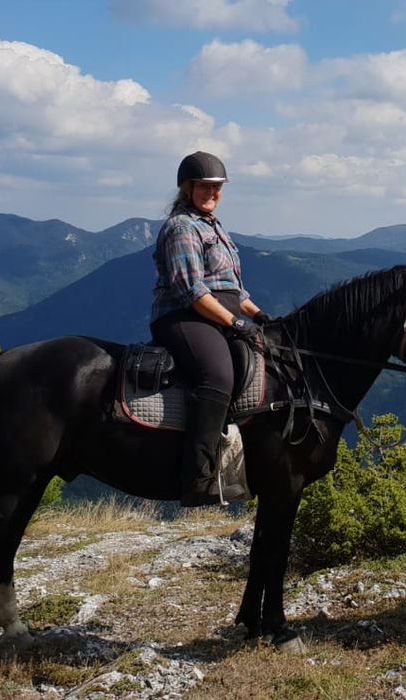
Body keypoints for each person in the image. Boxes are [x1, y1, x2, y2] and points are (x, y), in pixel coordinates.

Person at [150, 151, 269, 506]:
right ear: (186, 188)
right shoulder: (181, 227)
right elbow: (192, 291)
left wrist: (262, 318)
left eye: (216, 187)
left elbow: (235, 290)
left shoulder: (214, 226)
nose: (212, 193)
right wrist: (235, 322)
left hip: (217, 315)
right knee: (218, 375)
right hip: (184, 318)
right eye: (204, 186)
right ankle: (197, 477)